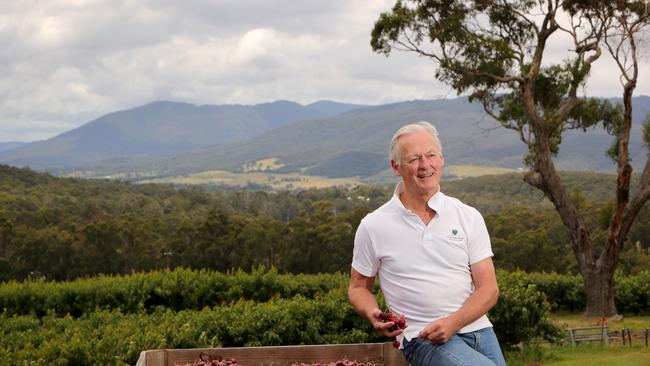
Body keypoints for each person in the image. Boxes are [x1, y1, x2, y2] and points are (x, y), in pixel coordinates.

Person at [348, 121, 506, 366]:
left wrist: (453, 322)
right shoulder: (374, 225)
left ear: (441, 160)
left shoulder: (468, 216)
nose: (425, 165)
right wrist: (372, 314)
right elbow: (358, 287)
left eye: (431, 155)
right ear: (396, 167)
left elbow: (489, 289)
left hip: (479, 331)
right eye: (414, 159)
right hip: (422, 337)